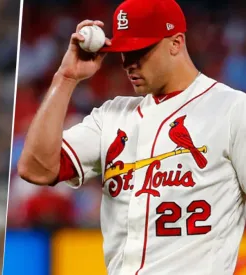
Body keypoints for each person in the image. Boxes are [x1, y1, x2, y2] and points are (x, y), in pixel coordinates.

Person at [18, 0, 246, 274]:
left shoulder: (232, 109)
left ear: (176, 42)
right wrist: (66, 78)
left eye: (140, 50)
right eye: (124, 51)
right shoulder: (112, 116)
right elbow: (35, 168)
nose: (128, 63)